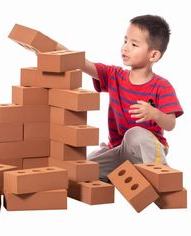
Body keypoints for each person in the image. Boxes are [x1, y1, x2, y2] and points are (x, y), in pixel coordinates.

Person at [56, 15, 184, 182]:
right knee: (83, 169)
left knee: (135, 134)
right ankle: (122, 175)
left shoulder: (161, 86)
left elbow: (171, 123)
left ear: (153, 55)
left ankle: (160, 176)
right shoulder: (114, 76)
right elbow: (83, 64)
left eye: (134, 44)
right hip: (118, 150)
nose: (125, 48)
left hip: (147, 152)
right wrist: (55, 48)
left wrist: (155, 114)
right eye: (125, 41)